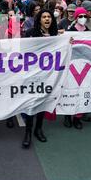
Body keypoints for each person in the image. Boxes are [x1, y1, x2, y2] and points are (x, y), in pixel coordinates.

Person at [22, 9, 59, 148]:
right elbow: (23, 51)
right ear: (39, 20)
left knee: (43, 103)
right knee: (31, 104)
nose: (47, 19)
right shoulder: (31, 33)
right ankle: (28, 132)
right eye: (44, 17)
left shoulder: (56, 34)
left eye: (49, 16)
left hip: (48, 75)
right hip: (33, 75)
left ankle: (38, 129)